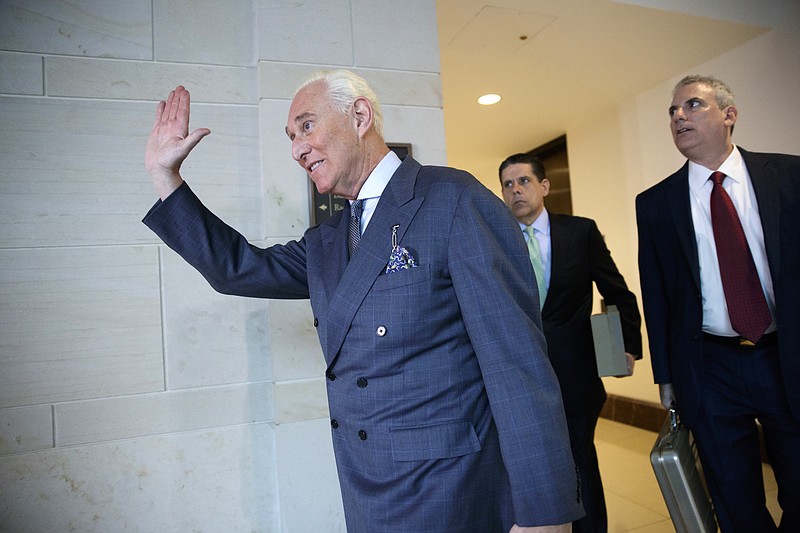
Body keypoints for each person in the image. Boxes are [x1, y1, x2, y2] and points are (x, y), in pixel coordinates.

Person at [143, 70, 584, 532]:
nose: (297, 148)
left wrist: (545, 512)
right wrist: (165, 175)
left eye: (307, 126)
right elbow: (237, 268)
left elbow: (515, 362)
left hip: (450, 489)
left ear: (359, 116)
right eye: (291, 137)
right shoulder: (328, 240)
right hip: (365, 489)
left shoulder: (452, 199)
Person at [636, 74, 800, 532]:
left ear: (729, 115)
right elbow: (658, 294)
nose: (678, 116)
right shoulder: (655, 203)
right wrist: (666, 375)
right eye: (672, 111)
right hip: (709, 366)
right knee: (734, 499)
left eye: (692, 105)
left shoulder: (789, 176)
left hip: (783, 357)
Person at [499, 154, 642, 533]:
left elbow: (617, 291)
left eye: (524, 181)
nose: (516, 190)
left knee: (581, 459)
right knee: (539, 466)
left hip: (577, 373)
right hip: (522, 378)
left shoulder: (580, 233)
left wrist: (627, 346)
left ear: (544, 186)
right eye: (508, 184)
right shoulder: (497, 241)